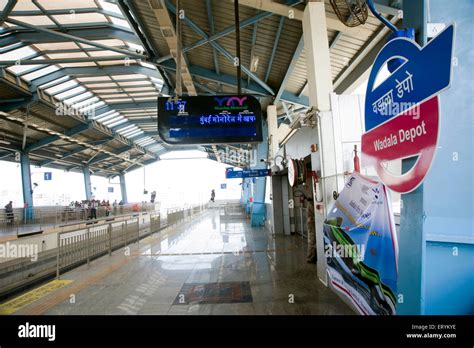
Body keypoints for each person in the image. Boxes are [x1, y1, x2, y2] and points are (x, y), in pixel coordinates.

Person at [306, 196, 317, 264]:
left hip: (311, 223)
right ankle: (310, 257)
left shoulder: (310, 203)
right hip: (312, 224)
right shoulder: (311, 204)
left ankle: (312, 256)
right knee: (312, 241)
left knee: (312, 240)